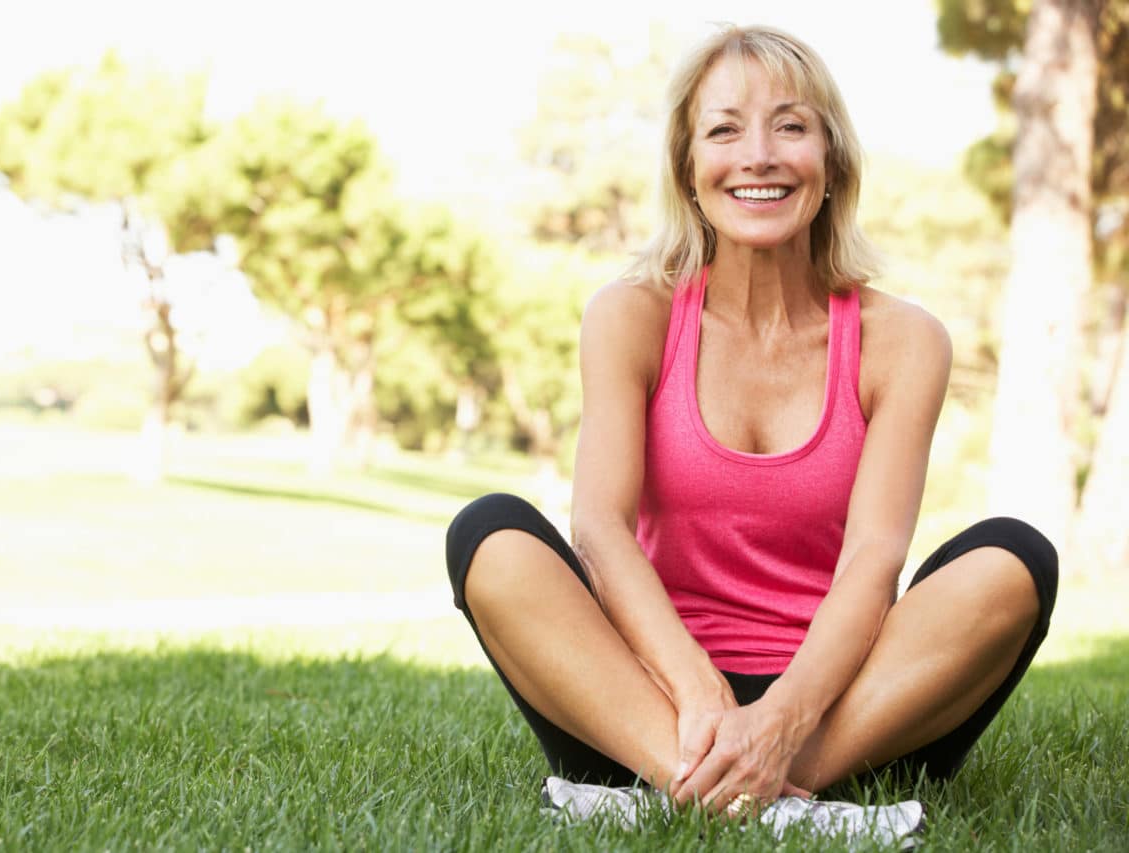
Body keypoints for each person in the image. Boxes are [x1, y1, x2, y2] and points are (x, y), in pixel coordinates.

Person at [444, 24, 1058, 819]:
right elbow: (599, 528)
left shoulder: (903, 342)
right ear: (688, 169)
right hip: (652, 698)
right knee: (489, 534)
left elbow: (876, 559)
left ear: (831, 163)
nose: (758, 155)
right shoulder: (631, 316)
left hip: (837, 701)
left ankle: (698, 791)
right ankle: (755, 792)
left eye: (791, 126)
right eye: (724, 129)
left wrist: (782, 718)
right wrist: (699, 693)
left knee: (1015, 559)